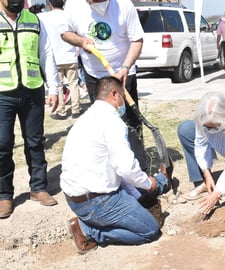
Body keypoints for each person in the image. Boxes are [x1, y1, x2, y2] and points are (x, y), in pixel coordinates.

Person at [60, 76, 172, 254]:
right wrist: (147, 184)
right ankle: (88, 231)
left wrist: (139, 190)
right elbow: (126, 167)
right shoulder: (112, 123)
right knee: (150, 229)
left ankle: (161, 182)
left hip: (75, 198)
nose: (124, 103)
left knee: (144, 185)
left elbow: (117, 169)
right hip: (98, 201)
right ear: (114, 94)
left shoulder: (84, 119)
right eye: (122, 96)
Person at [61, 0, 147, 170]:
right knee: (103, 125)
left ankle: (138, 168)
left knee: (130, 123)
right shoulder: (73, 5)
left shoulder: (123, 5)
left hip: (123, 74)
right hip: (95, 76)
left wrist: (125, 67)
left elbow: (137, 39)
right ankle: (110, 169)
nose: (96, 3)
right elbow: (65, 33)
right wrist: (81, 41)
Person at [0, 0, 60, 218]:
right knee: (2, 144)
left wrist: (53, 88)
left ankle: (39, 188)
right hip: (3, 93)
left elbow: (46, 53)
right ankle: (4, 195)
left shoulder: (34, 20)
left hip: (32, 90)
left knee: (35, 142)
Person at [37, 0, 82, 120]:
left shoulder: (44, 17)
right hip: (71, 55)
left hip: (55, 57)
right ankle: (76, 109)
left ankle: (61, 111)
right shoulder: (69, 15)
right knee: (74, 84)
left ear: (50, 4)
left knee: (59, 86)